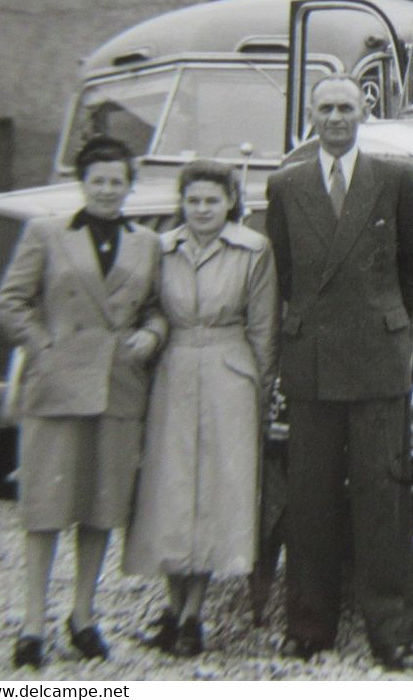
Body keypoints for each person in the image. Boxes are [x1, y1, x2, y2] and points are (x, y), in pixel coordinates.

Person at [262, 74, 413, 673]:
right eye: (325, 108)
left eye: (346, 108)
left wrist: (383, 321)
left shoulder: (394, 179)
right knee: (309, 502)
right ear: (310, 117)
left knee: (382, 502)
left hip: (376, 363)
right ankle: (308, 627)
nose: (336, 118)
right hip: (311, 365)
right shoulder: (285, 186)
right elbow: (283, 273)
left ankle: (392, 634)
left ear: (365, 112)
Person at [0, 136, 166, 670]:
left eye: (118, 182)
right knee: (45, 509)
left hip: (117, 388)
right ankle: (31, 624)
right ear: (83, 184)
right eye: (99, 181)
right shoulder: (46, 233)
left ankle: (84, 617)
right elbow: (11, 301)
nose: (109, 190)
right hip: (58, 389)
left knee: (100, 508)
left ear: (129, 185)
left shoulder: (146, 243)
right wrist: (42, 347)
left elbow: (157, 309)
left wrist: (151, 337)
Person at [122, 160, 276, 656]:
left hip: (230, 373)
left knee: (214, 491)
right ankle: (170, 609)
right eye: (193, 201)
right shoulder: (161, 248)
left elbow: (263, 328)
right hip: (173, 370)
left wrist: (260, 386)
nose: (202, 209)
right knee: (171, 489)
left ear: (230, 201)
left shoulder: (253, 250)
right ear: (181, 204)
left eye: (212, 200)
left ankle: (193, 616)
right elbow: (148, 308)